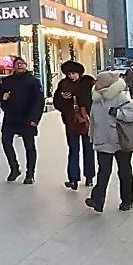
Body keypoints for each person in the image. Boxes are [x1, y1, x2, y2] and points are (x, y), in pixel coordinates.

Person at [85, 71, 133, 213]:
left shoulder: (119, 97)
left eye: (99, 81)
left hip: (120, 141)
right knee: (103, 172)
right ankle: (97, 201)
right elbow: (93, 121)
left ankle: (127, 201)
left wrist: (118, 114)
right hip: (102, 141)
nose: (96, 83)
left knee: (124, 171)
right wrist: (92, 136)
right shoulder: (96, 100)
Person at [0, 57, 45, 185]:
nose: (20, 66)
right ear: (13, 67)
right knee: (6, 142)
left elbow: (39, 101)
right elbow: (0, 95)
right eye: (17, 64)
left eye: (22, 63)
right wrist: (3, 98)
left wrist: (35, 119)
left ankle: (30, 174)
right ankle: (14, 168)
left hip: (27, 118)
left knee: (29, 146)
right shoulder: (8, 81)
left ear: (26, 65)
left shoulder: (33, 81)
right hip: (11, 118)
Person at [52, 61, 96, 190]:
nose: (72, 76)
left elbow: (94, 100)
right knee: (73, 149)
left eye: (74, 73)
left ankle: (89, 177)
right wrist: (62, 97)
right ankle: (73, 178)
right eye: (69, 74)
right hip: (71, 121)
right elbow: (57, 103)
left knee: (88, 149)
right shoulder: (63, 84)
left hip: (87, 120)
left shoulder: (87, 82)